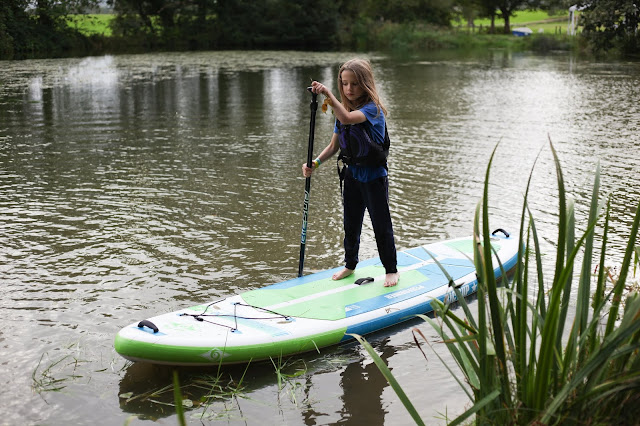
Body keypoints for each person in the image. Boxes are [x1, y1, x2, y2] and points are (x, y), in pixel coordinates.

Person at [302, 58, 399, 288]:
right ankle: (350, 264)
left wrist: (326, 93)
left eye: (354, 84)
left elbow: (347, 118)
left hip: (374, 176)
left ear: (365, 84)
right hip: (352, 176)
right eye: (344, 84)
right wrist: (314, 164)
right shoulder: (342, 111)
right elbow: (333, 147)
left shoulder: (372, 110)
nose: (349, 89)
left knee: (380, 224)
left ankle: (391, 269)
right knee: (350, 224)